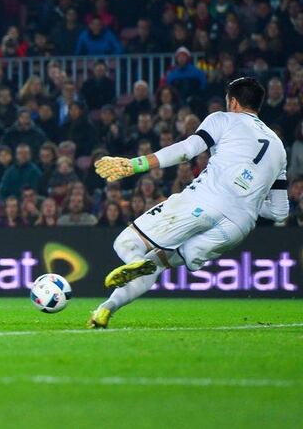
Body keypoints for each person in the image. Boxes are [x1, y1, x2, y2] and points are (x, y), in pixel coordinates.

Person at [89, 78, 289, 329]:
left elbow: (187, 150)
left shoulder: (222, 119)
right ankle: (104, 310)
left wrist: (134, 164)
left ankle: (133, 261)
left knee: (127, 243)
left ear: (233, 102)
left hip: (204, 200)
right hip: (238, 226)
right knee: (157, 263)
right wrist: (246, 199)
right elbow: (280, 212)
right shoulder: (279, 148)